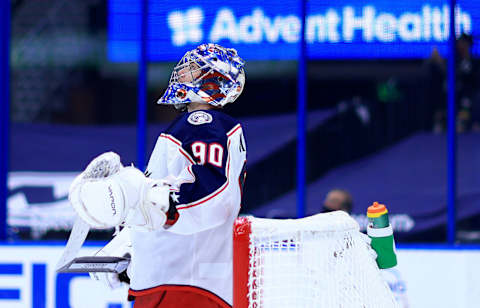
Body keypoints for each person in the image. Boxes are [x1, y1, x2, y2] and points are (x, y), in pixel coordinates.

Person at [67, 43, 247, 308]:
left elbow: (214, 196)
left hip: (187, 283)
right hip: (173, 280)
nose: (182, 71)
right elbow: (163, 204)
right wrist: (130, 243)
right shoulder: (192, 125)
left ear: (213, 80)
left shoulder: (205, 123)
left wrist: (156, 203)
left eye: (193, 68)